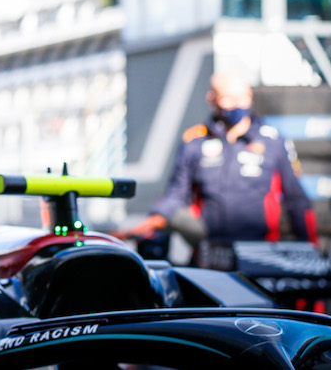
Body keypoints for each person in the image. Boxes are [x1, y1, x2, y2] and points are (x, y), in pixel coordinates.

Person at [122, 70, 319, 264]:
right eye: (228, 98)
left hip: (260, 255)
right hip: (209, 254)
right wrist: (152, 221)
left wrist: (309, 253)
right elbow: (175, 195)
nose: (237, 104)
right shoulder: (195, 141)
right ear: (212, 99)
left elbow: (297, 199)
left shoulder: (272, 141)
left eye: (242, 97)